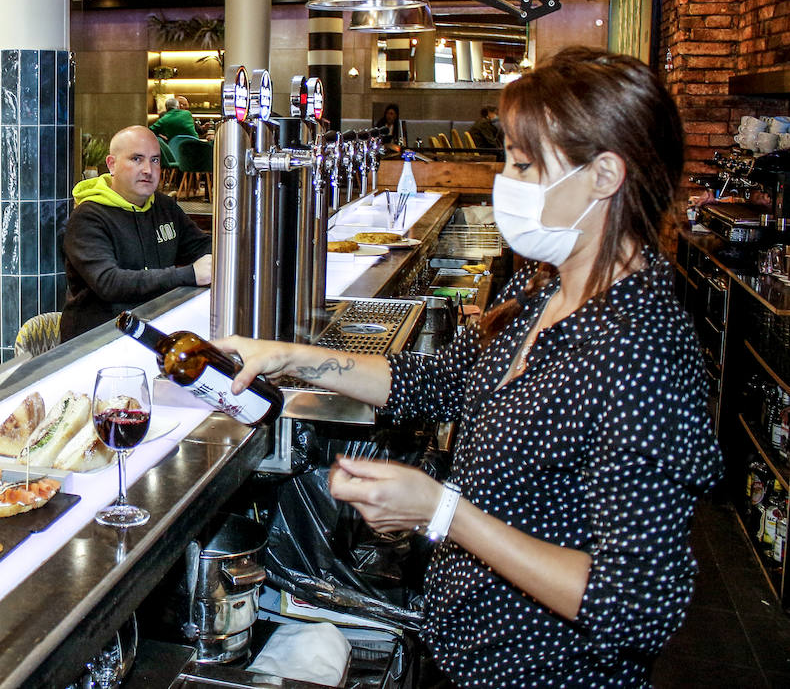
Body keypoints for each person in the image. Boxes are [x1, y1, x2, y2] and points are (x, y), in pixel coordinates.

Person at [216, 48, 721, 687]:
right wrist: (292, 357)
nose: (504, 180)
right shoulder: (555, 292)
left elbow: (637, 606)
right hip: (465, 646)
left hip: (544, 671)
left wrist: (442, 511)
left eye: (524, 164)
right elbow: (435, 382)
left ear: (605, 175)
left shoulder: (640, 351)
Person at [60, 125, 212, 342]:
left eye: (155, 160)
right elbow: (109, 282)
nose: (148, 170)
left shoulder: (163, 206)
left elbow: (202, 247)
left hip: (154, 331)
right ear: (112, 165)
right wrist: (190, 274)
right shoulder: (88, 217)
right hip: (97, 341)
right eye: (136, 159)